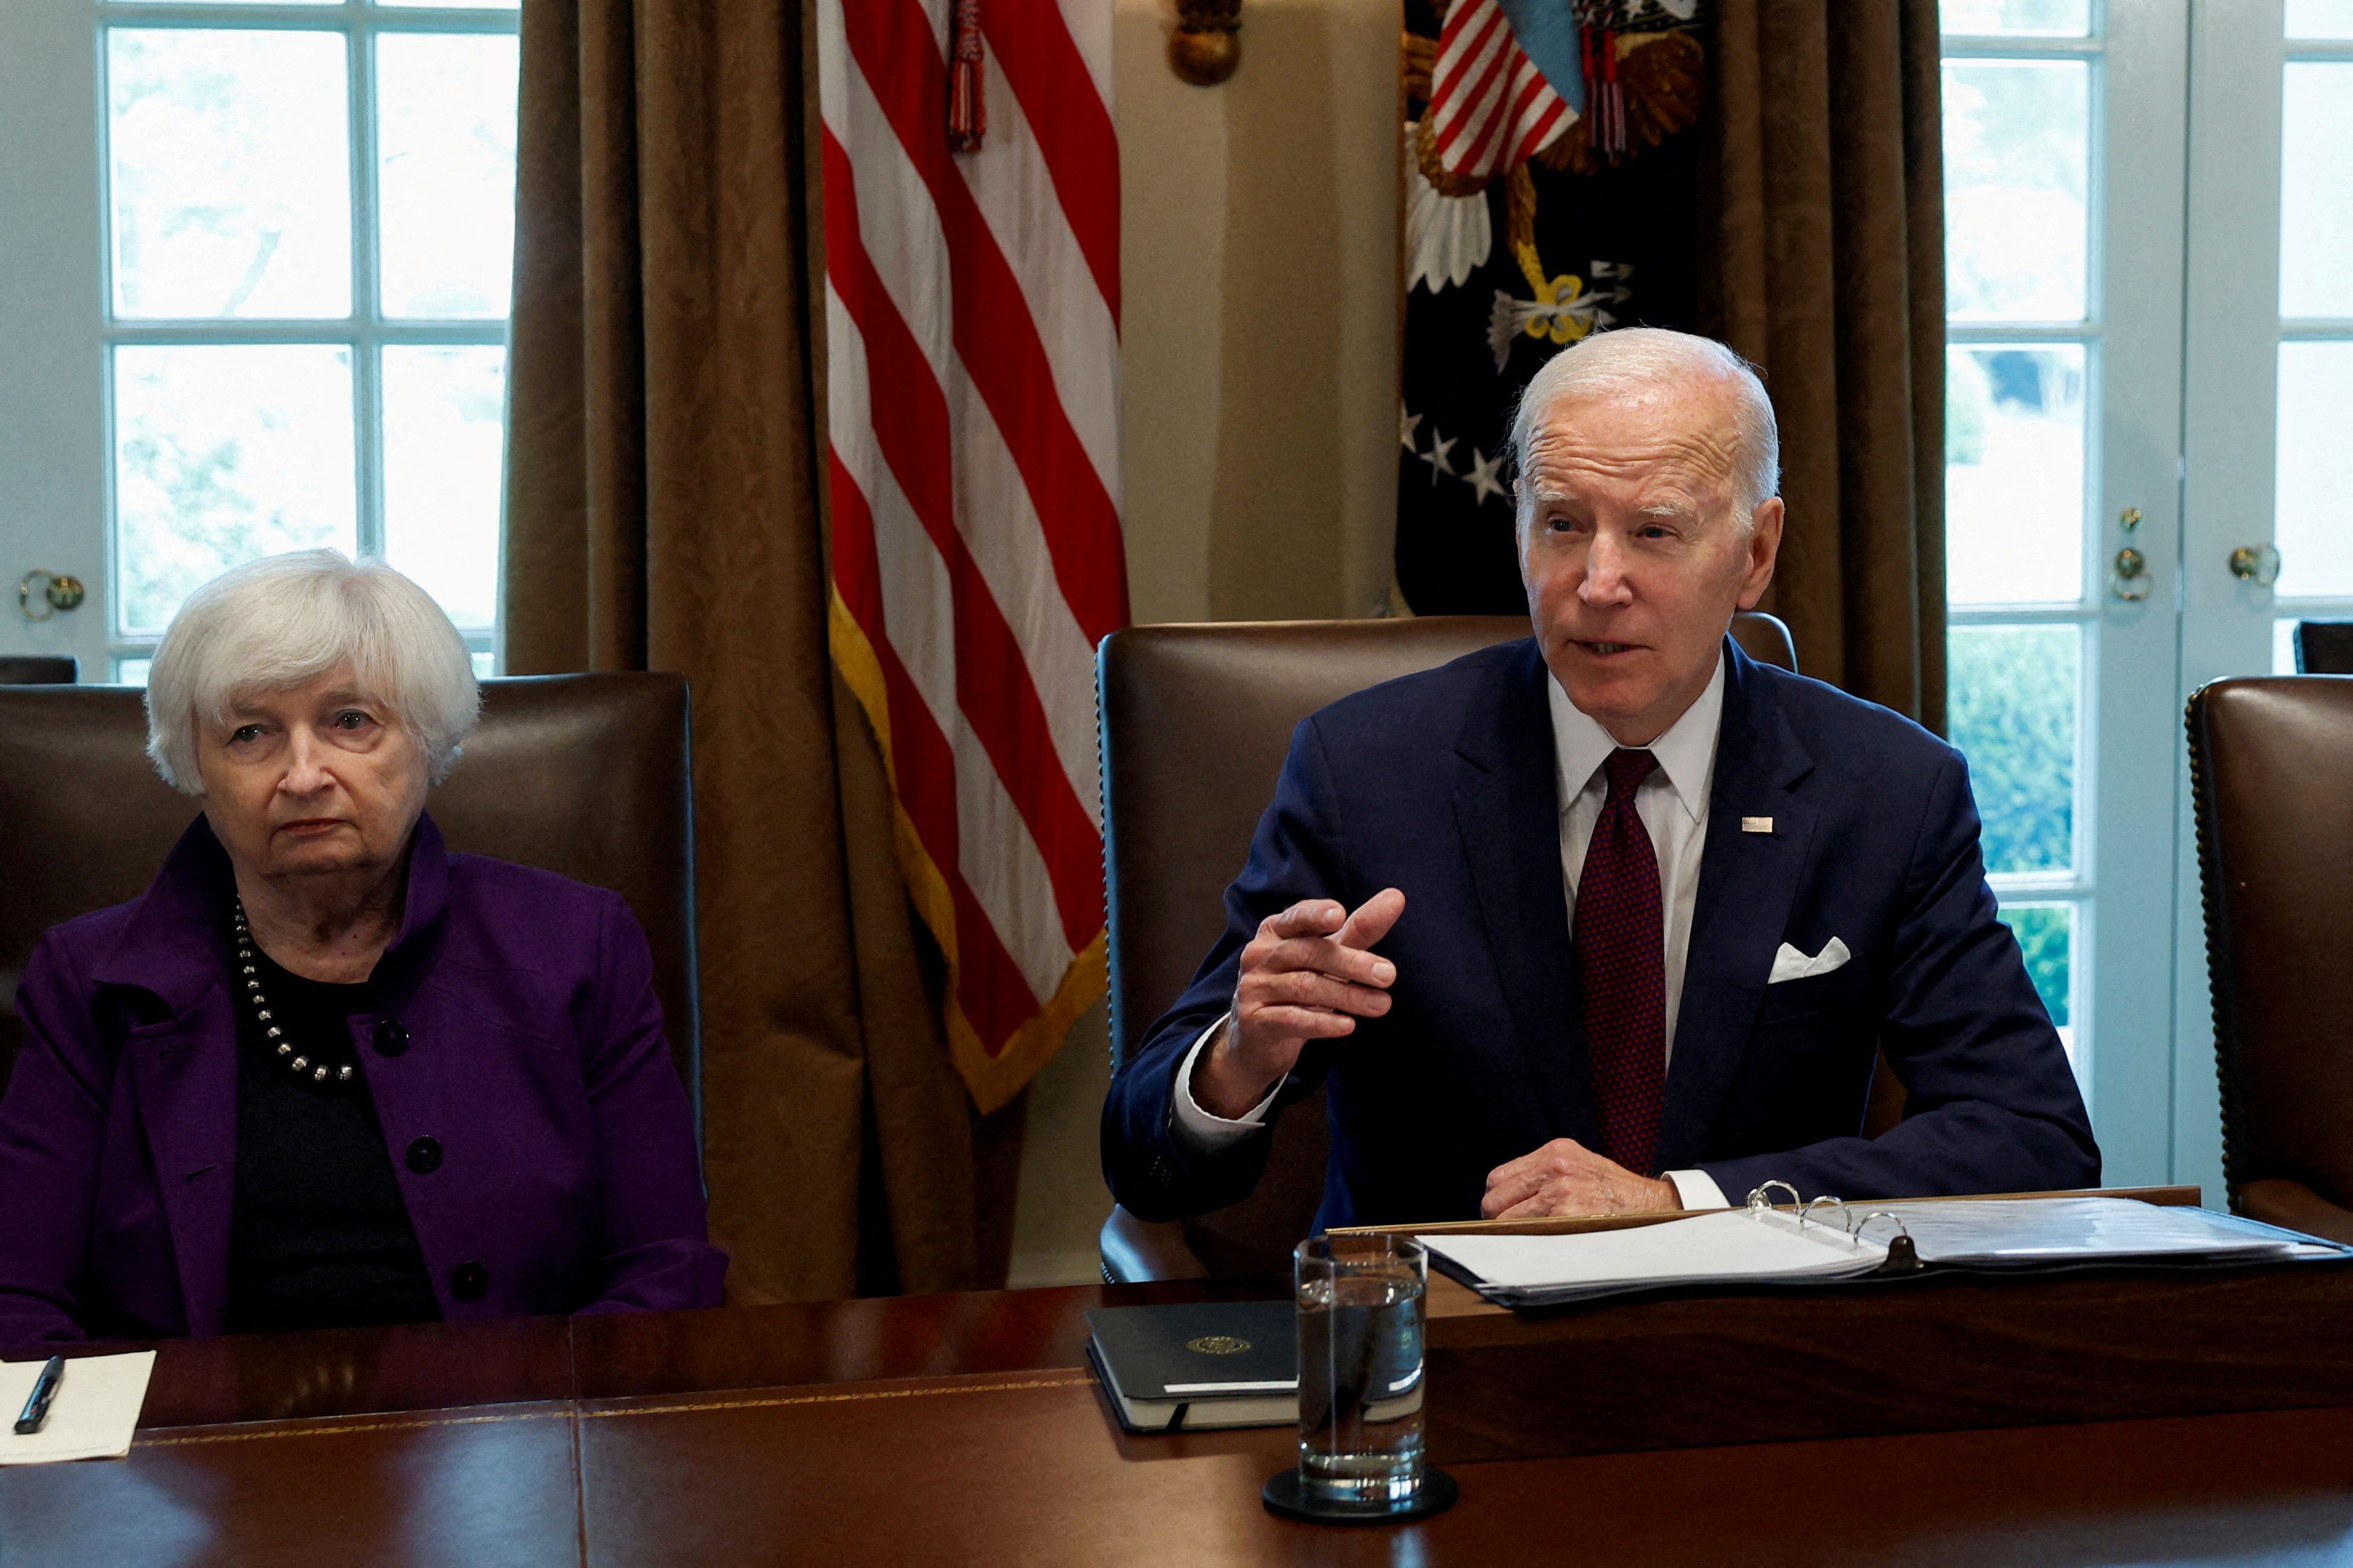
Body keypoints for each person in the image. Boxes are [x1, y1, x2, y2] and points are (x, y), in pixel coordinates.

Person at [1103, 328, 2098, 1233]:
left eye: (1654, 532)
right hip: (1444, 1357)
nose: (1596, 582)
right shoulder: (1366, 771)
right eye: (1563, 524)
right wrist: (1240, 1060)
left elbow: (2031, 1136)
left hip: (1749, 1352)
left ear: (1754, 553)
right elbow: (1148, 1163)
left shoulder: (1884, 789)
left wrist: (1680, 1204)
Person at [0, 550, 725, 1344]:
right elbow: (18, 1302)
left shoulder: (576, 947)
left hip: (515, 1440)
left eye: (351, 722)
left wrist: (534, 1432)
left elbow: (666, 1270)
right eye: (250, 733)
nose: (303, 775)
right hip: (187, 1454)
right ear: (193, 766)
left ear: (429, 741)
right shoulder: (91, 982)